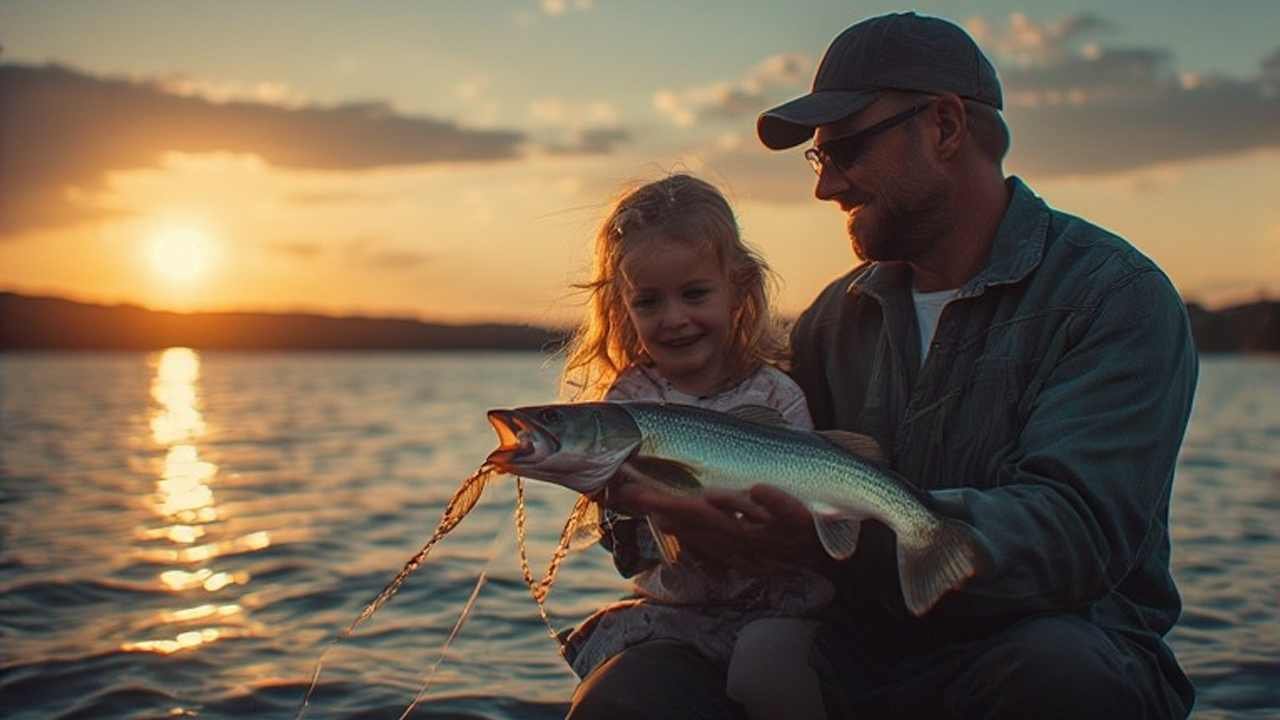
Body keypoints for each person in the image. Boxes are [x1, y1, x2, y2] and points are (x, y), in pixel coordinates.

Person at [570, 11, 1199, 720]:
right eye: (818, 158)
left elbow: (1078, 532)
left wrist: (841, 540)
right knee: (629, 693)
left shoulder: (1112, 297)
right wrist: (652, 499)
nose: (826, 186)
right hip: (856, 654)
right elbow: (755, 456)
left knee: (1062, 676)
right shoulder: (833, 320)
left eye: (846, 150)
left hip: (1046, 648)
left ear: (945, 126)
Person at [559, 173, 835, 720]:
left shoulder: (777, 395)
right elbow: (629, 552)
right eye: (649, 302)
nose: (675, 319)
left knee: (770, 671)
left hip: (776, 610)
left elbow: (803, 532)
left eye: (695, 294)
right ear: (622, 308)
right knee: (607, 699)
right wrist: (618, 507)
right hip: (676, 614)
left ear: (738, 289)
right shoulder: (628, 400)